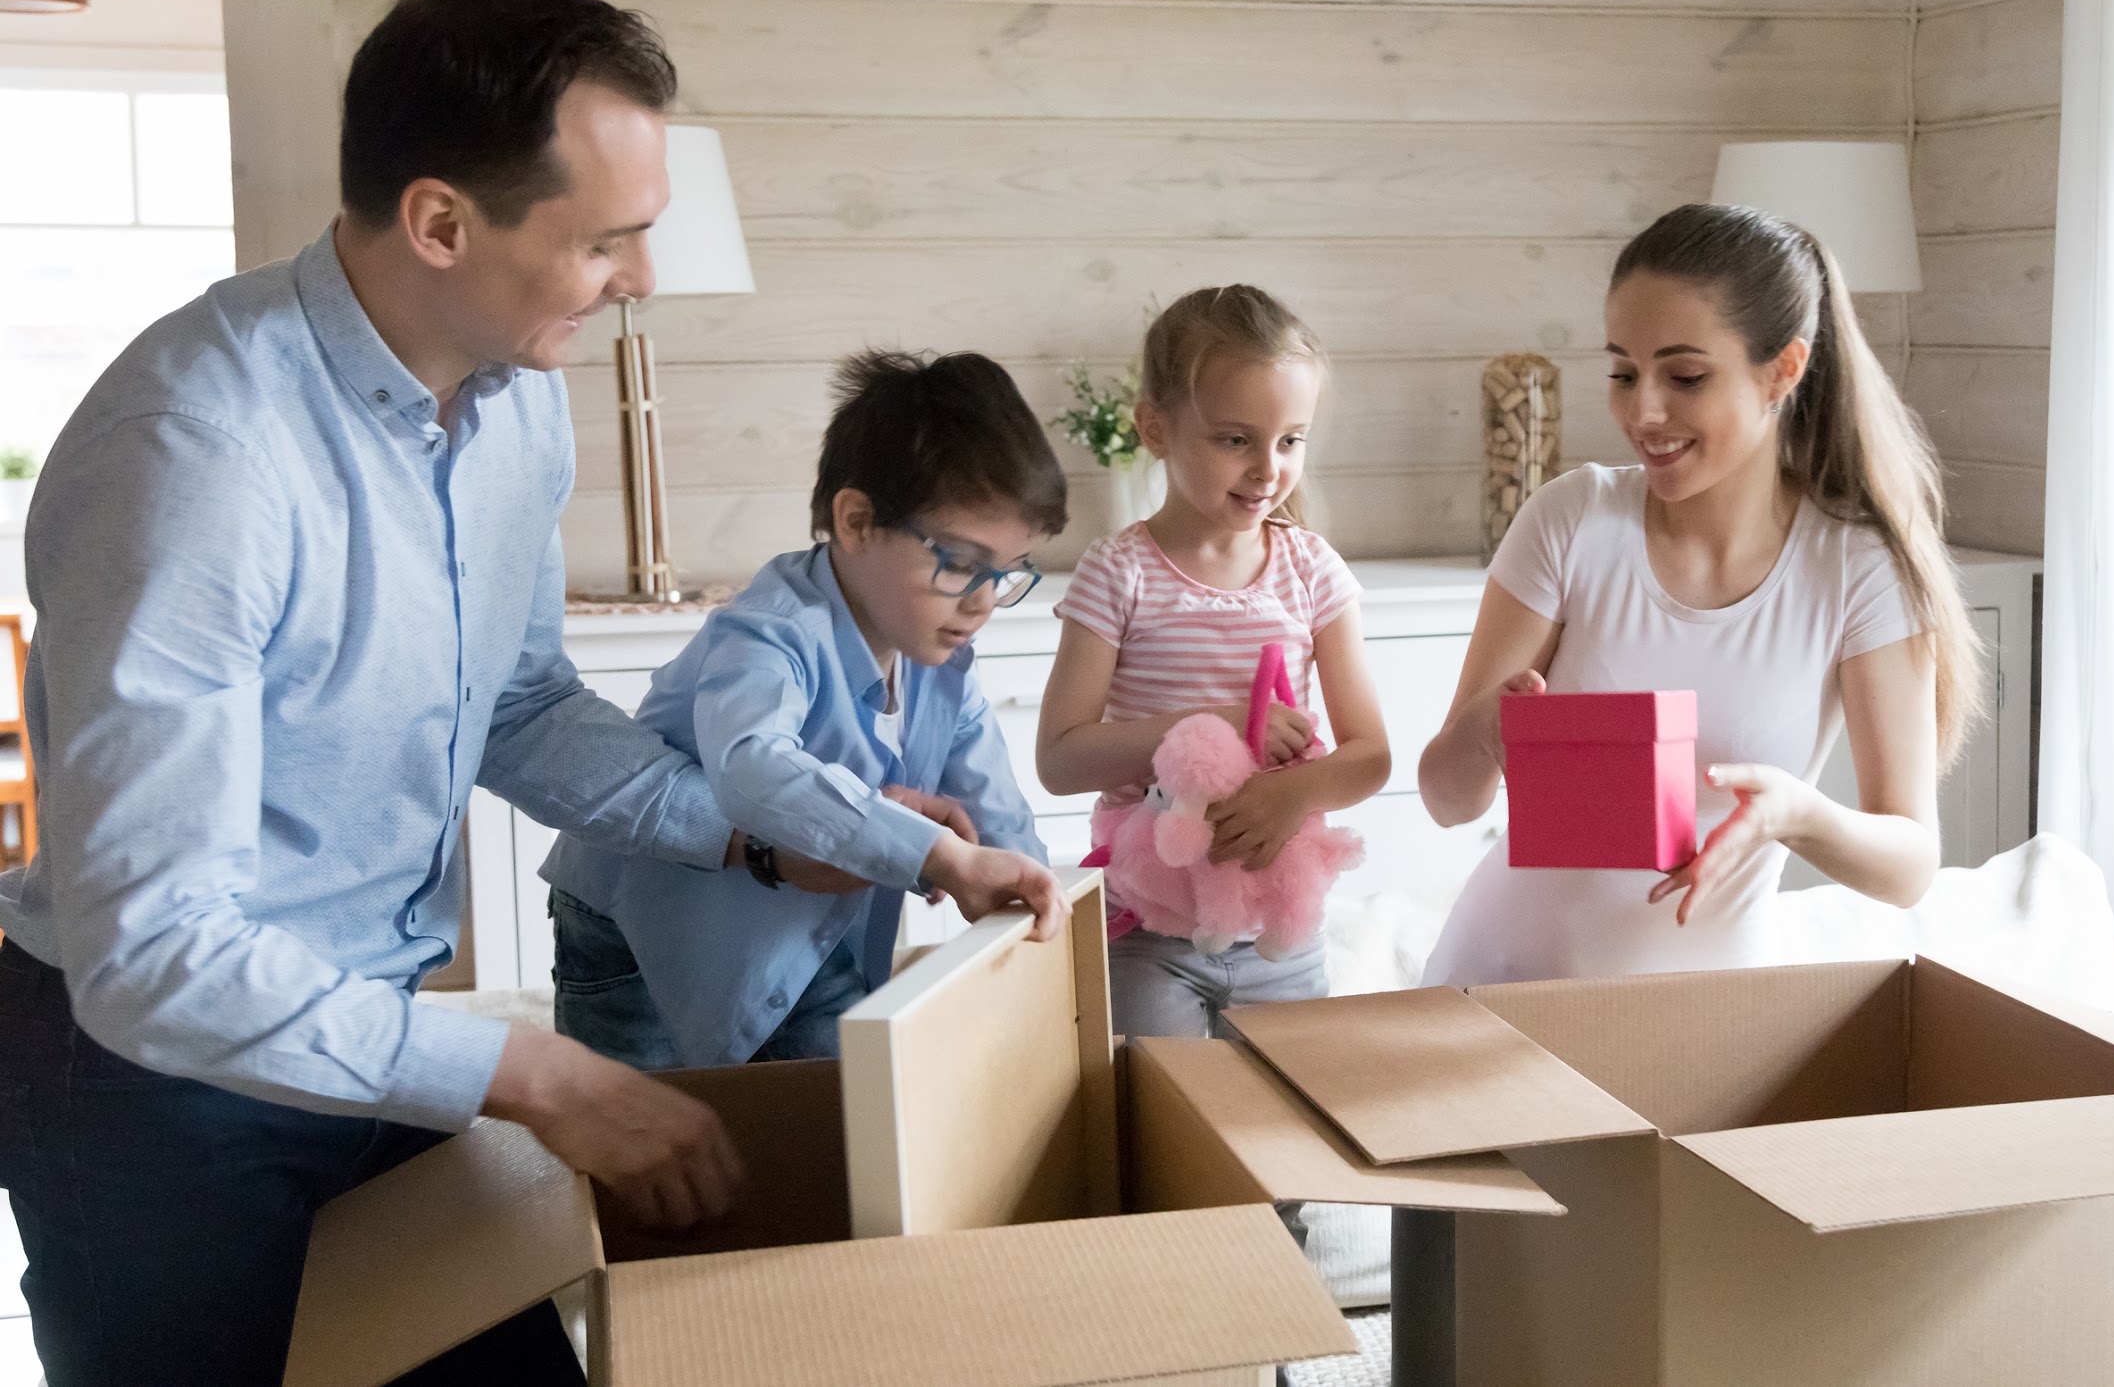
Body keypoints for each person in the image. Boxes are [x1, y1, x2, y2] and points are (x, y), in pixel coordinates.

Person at [0, 0, 820, 1387]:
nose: (639, 278)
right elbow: (154, 952)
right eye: (607, 240)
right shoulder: (193, 453)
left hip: (369, 1034)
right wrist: (543, 1073)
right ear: (442, 220)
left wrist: (760, 834)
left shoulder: (516, 410)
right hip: (149, 1084)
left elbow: (516, 705)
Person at [1417, 203, 1980, 984]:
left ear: (1783, 369)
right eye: (1622, 372)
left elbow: (1909, 864)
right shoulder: (1573, 520)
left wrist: (1796, 812)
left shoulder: (1857, 567)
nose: (1642, 411)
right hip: (1501, 980)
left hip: (1704, 1009)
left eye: (1684, 376)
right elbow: (1447, 800)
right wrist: (1492, 729)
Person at [543, 350, 1071, 1070]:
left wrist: (1033, 895)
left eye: (1005, 572)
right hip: (636, 925)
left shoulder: (940, 657)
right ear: (855, 520)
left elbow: (998, 810)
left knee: (836, 1114)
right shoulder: (770, 629)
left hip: (800, 925)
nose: (983, 600)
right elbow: (752, 768)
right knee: (641, 1136)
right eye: (959, 562)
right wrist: (941, 855)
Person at [1037, 286, 1390, 1038]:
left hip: (1278, 933)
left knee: (1290, 1124)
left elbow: (1372, 755)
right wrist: (1205, 725)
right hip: (1147, 931)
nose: (1268, 468)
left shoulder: (1313, 570)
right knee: (1162, 1126)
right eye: (1236, 439)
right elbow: (1060, 759)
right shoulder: (1118, 571)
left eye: (1291, 440)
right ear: (1155, 427)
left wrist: (1291, 796)